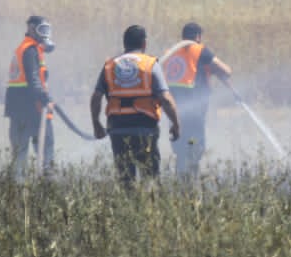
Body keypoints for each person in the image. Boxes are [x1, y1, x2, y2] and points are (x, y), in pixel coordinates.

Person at [90, 24, 181, 187]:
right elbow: (165, 99)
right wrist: (175, 124)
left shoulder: (110, 66)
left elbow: (96, 98)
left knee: (125, 178)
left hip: (117, 129)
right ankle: (149, 210)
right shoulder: (150, 64)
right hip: (145, 129)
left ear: (125, 44)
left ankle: (127, 209)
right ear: (144, 43)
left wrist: (96, 124)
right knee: (150, 177)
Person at [162, 22, 232, 178]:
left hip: (173, 109)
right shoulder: (199, 50)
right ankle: (190, 180)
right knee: (193, 144)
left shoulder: (171, 53)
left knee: (181, 147)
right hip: (193, 111)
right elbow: (226, 71)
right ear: (198, 37)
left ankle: (182, 179)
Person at [5, 15, 55, 178]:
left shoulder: (25, 48)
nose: (44, 34)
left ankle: (18, 193)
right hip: (34, 110)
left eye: (46, 30)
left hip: (18, 110)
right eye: (41, 30)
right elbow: (34, 79)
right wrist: (46, 99)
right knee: (46, 157)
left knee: (19, 158)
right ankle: (46, 192)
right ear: (31, 29)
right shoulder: (30, 50)